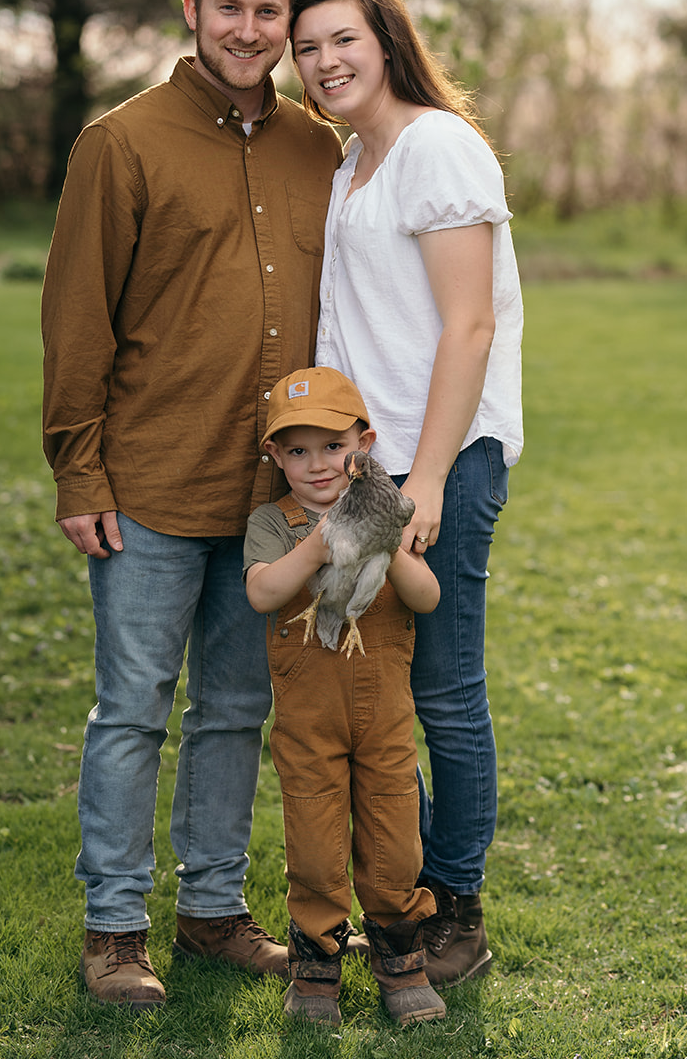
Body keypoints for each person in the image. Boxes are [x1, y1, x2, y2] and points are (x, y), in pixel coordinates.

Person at [41, 0, 343, 1011]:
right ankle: (115, 928)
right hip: (153, 485)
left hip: (272, 499)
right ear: (191, 11)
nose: (251, 30)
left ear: (288, 20)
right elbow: (77, 320)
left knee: (233, 711)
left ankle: (213, 911)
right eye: (231, 8)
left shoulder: (321, 147)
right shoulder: (119, 143)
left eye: (271, 11)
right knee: (131, 710)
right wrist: (80, 472)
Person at [289, 0, 523, 987]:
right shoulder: (350, 165)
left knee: (444, 689)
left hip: (444, 463)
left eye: (342, 37)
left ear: (385, 37)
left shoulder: (438, 146)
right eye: (309, 47)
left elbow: (468, 326)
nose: (325, 60)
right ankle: (405, 896)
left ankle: (455, 906)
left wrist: (424, 480)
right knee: (373, 694)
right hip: (367, 473)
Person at [244, 365, 445, 1029]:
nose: (317, 464)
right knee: (313, 844)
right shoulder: (274, 523)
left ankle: (399, 956)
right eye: (296, 450)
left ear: (365, 442)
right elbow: (264, 593)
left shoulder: (393, 514)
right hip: (309, 720)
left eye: (333, 446)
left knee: (395, 842)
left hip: (385, 717)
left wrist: (388, 546)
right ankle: (317, 963)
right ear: (274, 455)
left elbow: (428, 598)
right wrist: (322, 545)